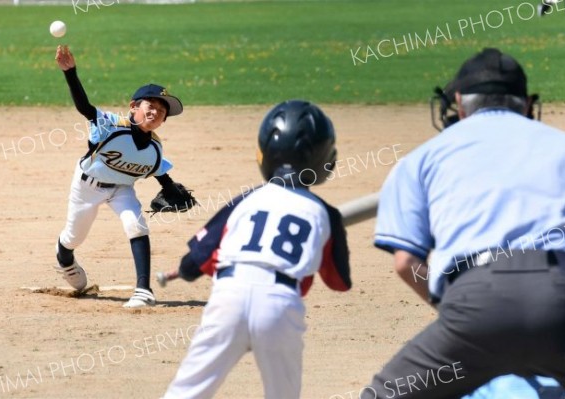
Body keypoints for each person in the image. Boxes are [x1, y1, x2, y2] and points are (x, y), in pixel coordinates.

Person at [360, 47, 565, 398]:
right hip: (563, 300)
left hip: (475, 302)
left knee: (385, 394)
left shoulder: (424, 157)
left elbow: (406, 264)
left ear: (458, 103)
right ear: (528, 103)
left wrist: (456, 309)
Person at [160, 100, 352, 399]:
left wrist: (186, 270)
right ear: (325, 158)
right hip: (280, 305)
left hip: (229, 297)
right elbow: (339, 282)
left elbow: (196, 260)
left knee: (186, 391)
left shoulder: (245, 201)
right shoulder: (326, 214)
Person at [53, 45, 188, 308]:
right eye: (150, 106)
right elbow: (85, 107)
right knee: (74, 238)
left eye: (161, 112)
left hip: (122, 190)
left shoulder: (155, 149)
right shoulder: (111, 126)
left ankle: (143, 290)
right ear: (134, 107)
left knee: (136, 224)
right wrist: (71, 73)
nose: (155, 113)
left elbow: (161, 173)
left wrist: (170, 188)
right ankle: (64, 259)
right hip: (86, 187)